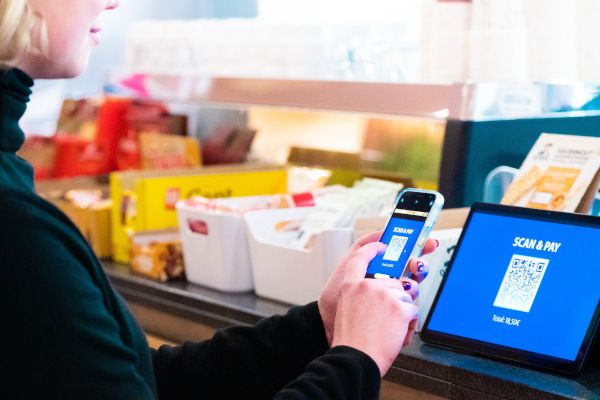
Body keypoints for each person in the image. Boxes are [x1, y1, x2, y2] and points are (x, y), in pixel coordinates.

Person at [0, 0, 438, 398]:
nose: (114, 2)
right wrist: (357, 358)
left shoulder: (14, 187)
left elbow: (140, 378)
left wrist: (318, 326)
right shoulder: (17, 225)